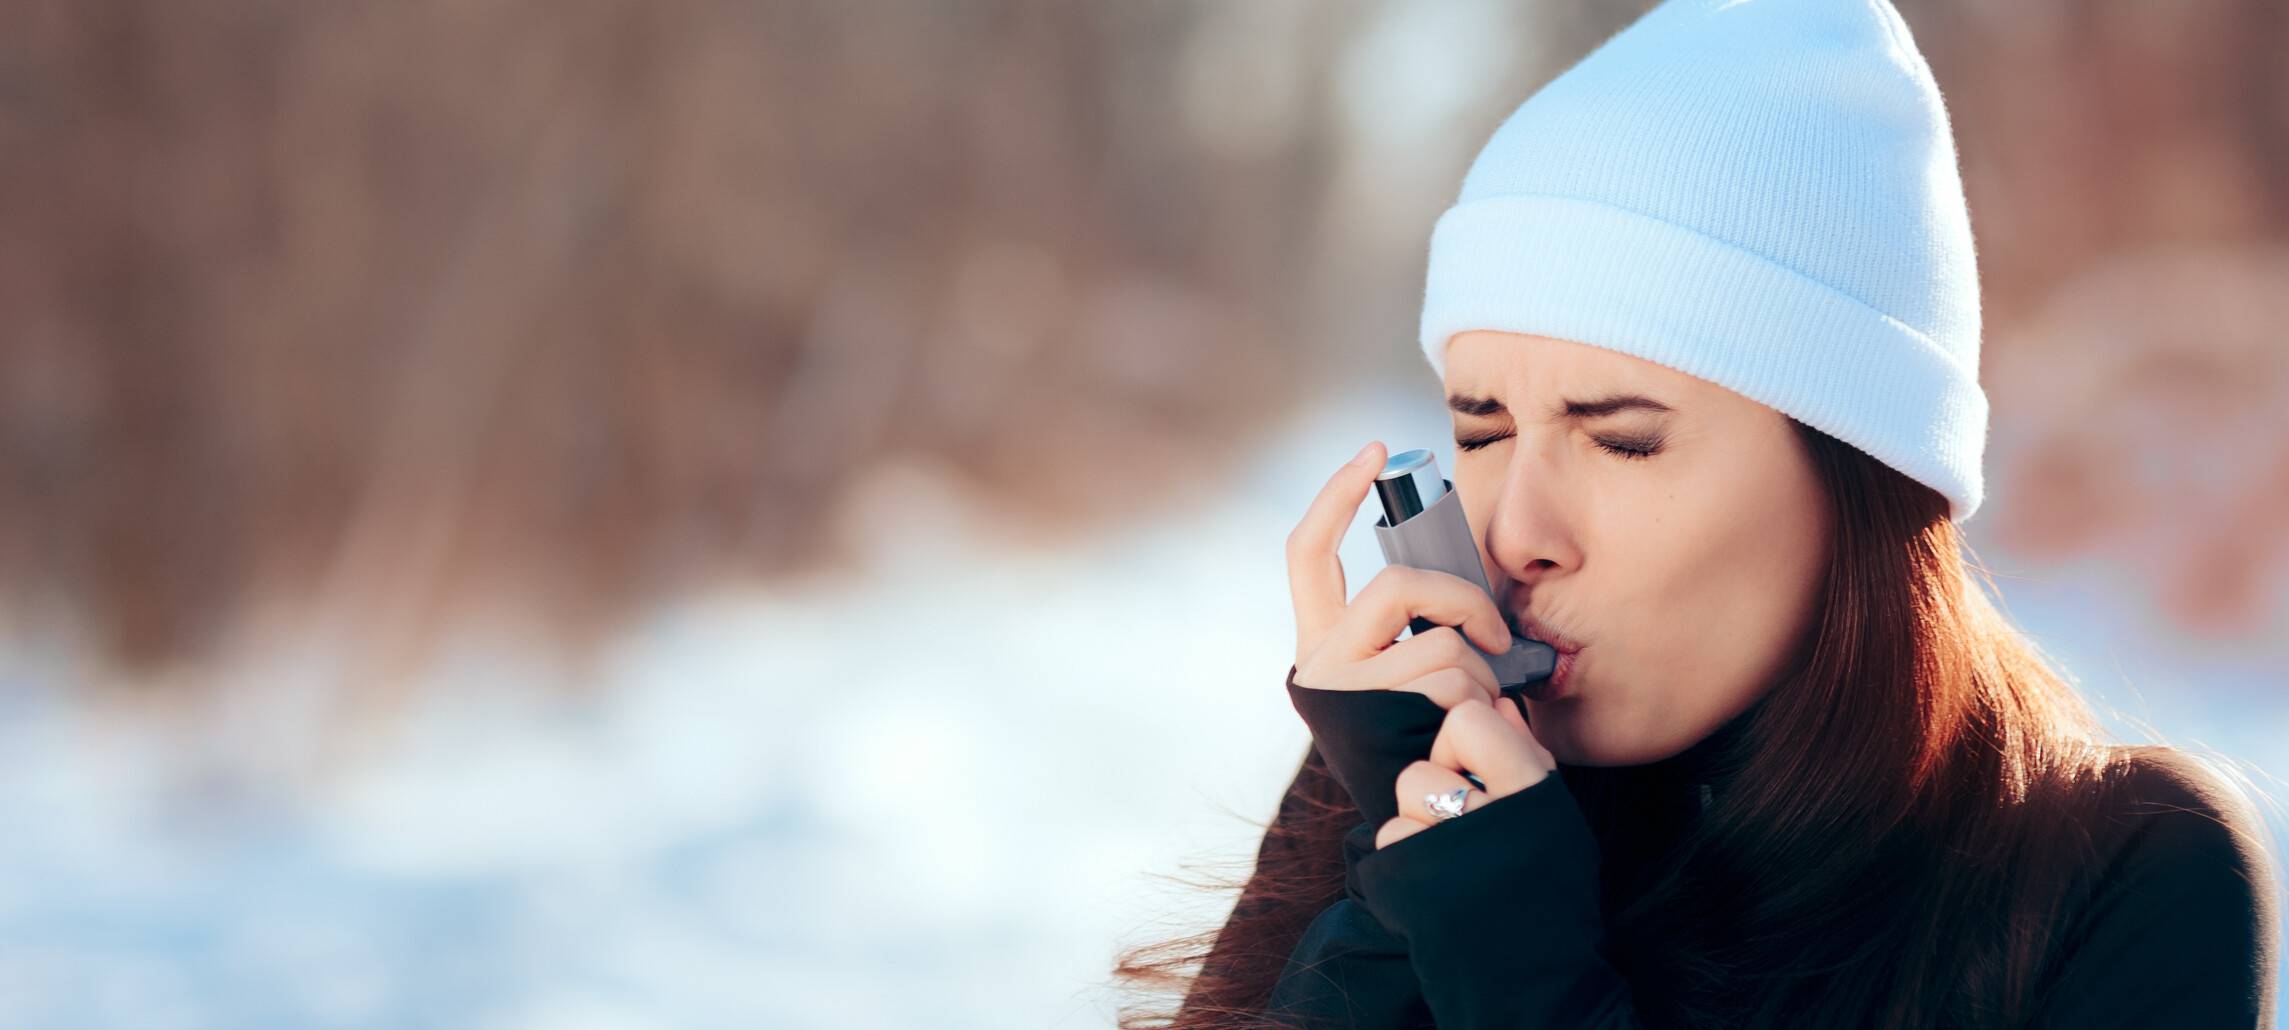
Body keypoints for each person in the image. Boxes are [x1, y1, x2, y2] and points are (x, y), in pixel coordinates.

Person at [1115, 0, 2282, 1027]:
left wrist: (1520, 974)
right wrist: (1382, 892)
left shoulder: (2121, 875)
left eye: (1621, 437)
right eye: (1481, 429)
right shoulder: (1421, 796)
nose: (1518, 533)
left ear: (1861, 469)